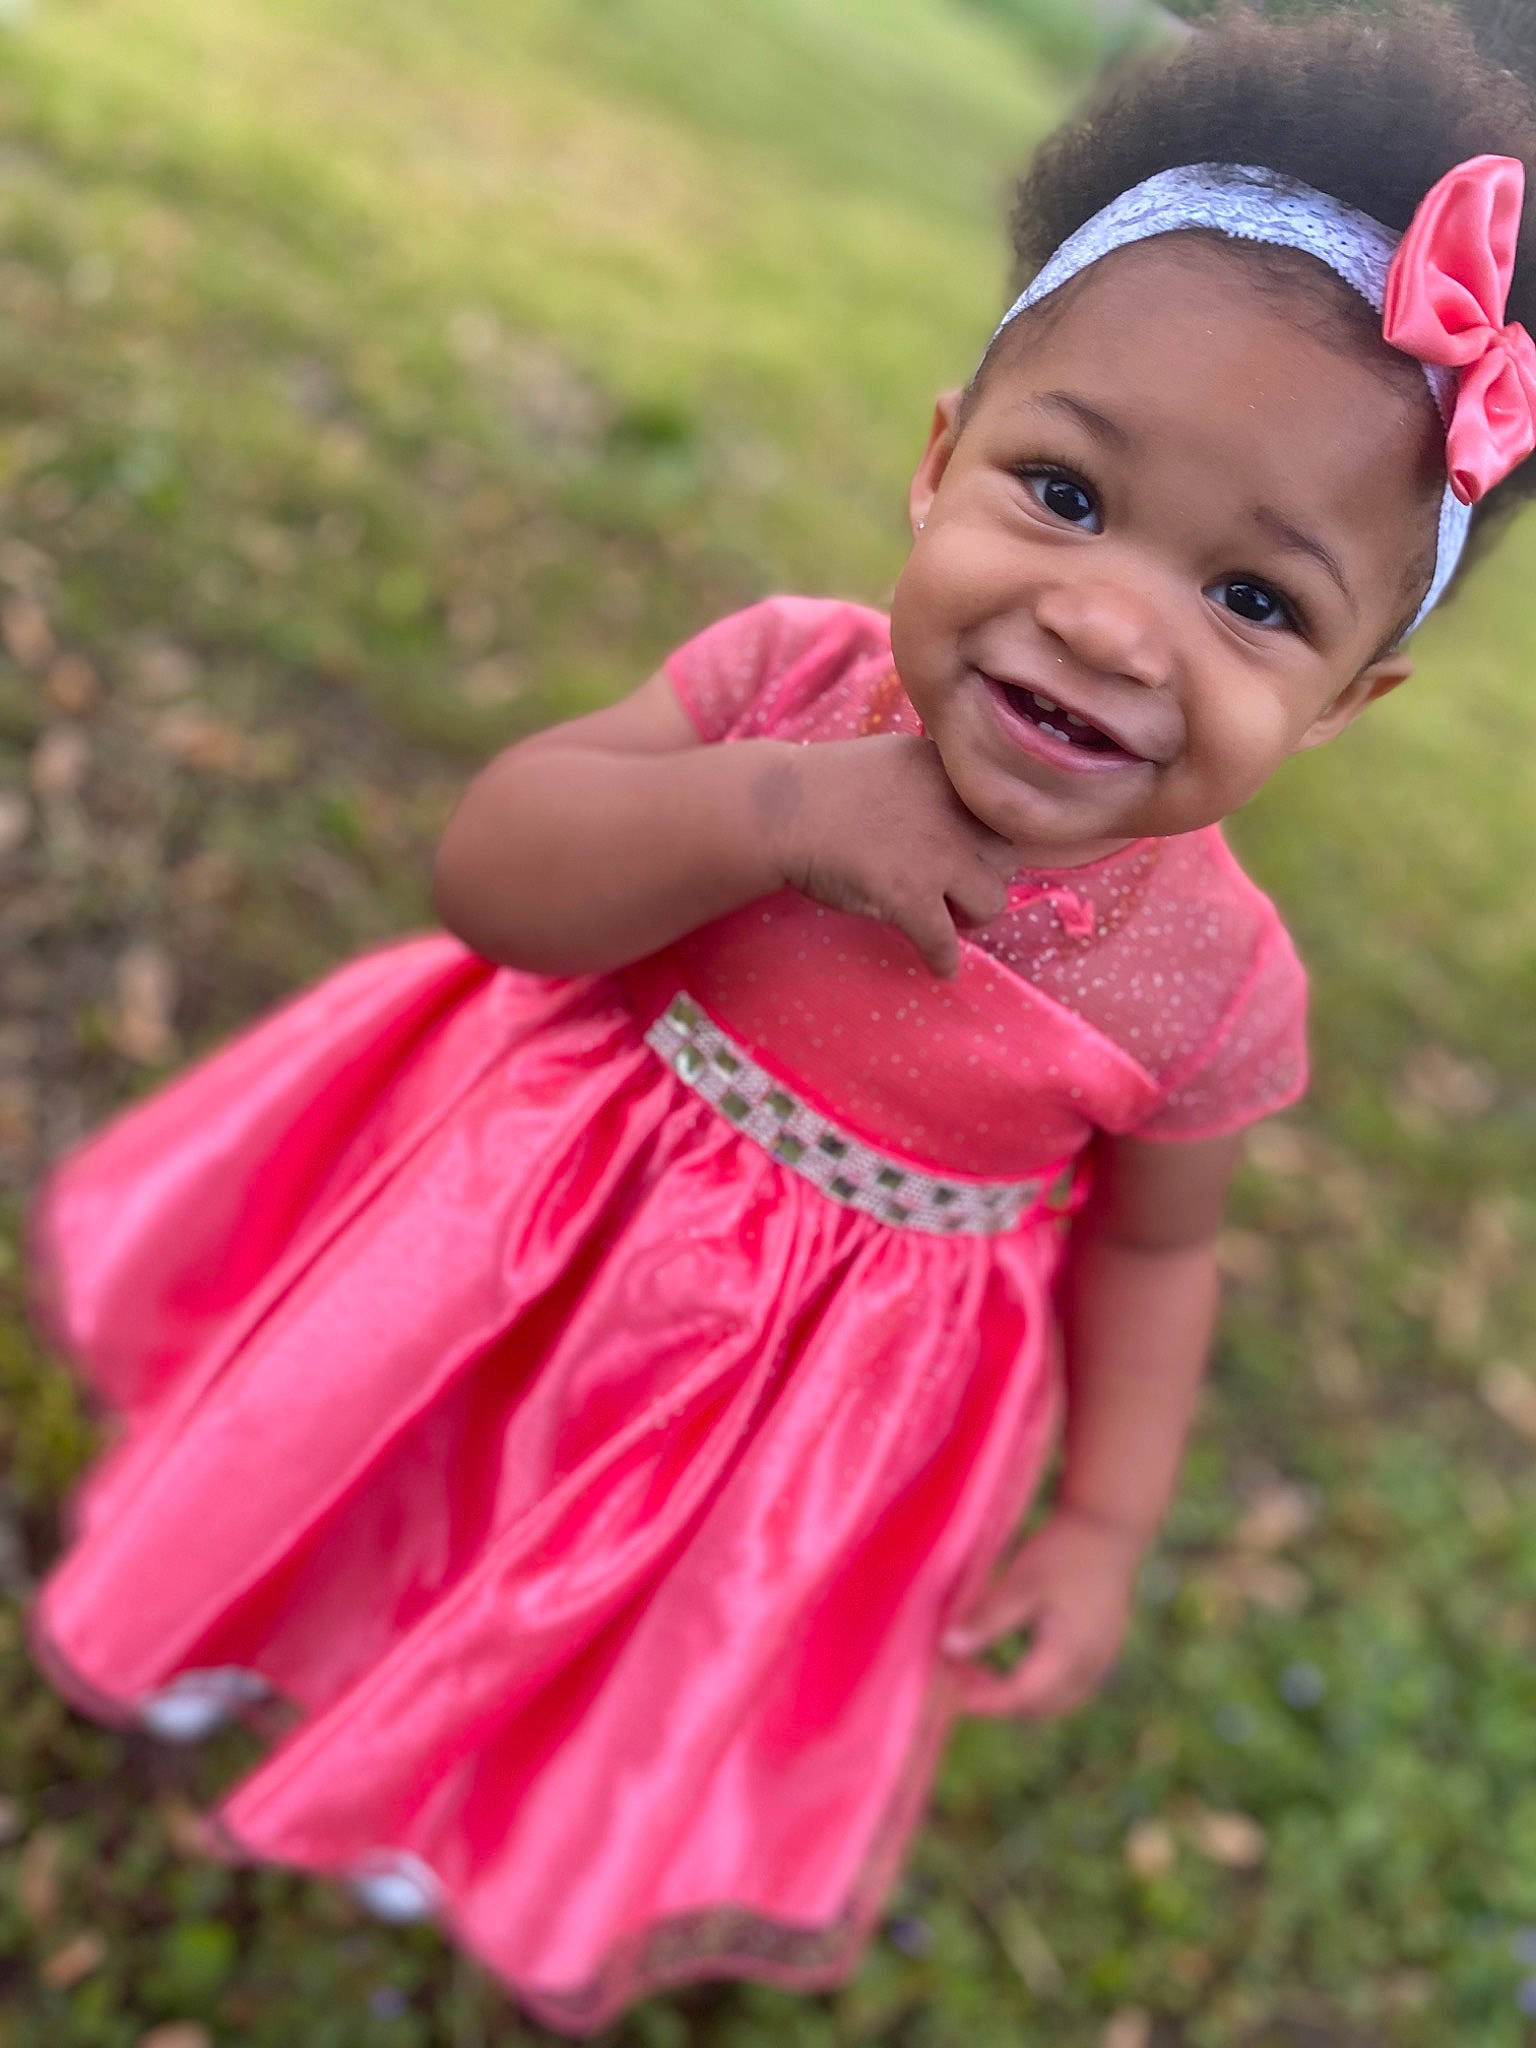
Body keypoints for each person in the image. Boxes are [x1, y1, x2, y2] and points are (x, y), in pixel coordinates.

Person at [26, 2, 1536, 2032]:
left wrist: (1103, 1520)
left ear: (1349, 699)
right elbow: (494, 872)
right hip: (518, 1228)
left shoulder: (1216, 986)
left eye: (1254, 603)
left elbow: (1157, 1257)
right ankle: (254, 1616)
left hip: (805, 1394)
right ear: (938, 461)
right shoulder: (786, 685)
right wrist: (774, 817)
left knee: (619, 1604)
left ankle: (450, 1781)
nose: (1108, 618)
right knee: (394, 1451)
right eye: (1064, 492)